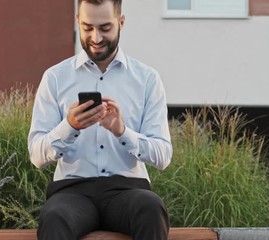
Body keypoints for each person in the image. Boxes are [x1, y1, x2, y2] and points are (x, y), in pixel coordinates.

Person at [27, 0, 173, 239]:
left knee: (151, 208)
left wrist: (122, 132)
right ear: (78, 22)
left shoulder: (147, 79)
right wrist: (70, 126)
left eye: (105, 28)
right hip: (72, 193)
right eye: (87, 27)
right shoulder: (55, 78)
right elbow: (36, 155)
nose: (96, 37)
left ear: (121, 23)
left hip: (128, 191)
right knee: (54, 216)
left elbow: (163, 156)